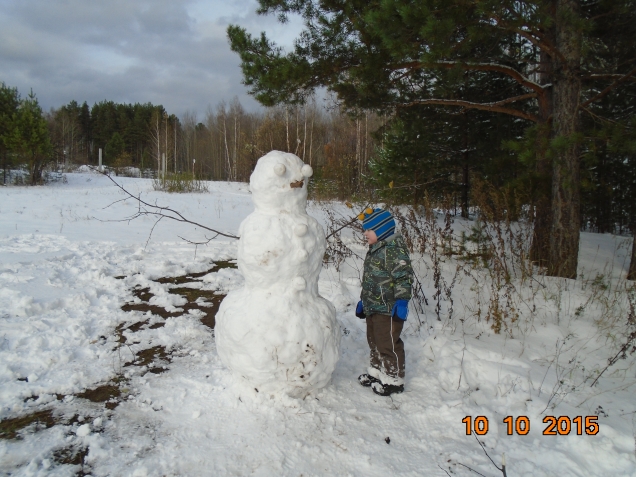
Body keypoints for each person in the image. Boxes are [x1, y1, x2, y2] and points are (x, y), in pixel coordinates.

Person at [355, 208, 413, 396]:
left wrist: (402, 301)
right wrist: (364, 300)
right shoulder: (376, 249)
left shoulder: (394, 250)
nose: (365, 234)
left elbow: (404, 278)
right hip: (374, 306)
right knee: (374, 341)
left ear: (381, 231)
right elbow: (371, 278)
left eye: (369, 230)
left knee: (388, 343)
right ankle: (377, 372)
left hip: (389, 308)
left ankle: (393, 380)